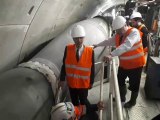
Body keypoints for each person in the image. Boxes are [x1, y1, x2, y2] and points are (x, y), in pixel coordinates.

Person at [94, 16, 145, 108]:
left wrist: (111, 55)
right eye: (116, 30)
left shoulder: (134, 32)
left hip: (136, 65)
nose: (117, 32)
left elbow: (126, 45)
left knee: (134, 85)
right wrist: (98, 45)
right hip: (124, 65)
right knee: (120, 81)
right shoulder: (118, 34)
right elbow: (109, 41)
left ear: (125, 25)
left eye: (119, 30)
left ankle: (132, 102)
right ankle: (121, 98)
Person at [59, 25, 95, 109]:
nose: (78, 41)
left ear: (84, 38)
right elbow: (64, 64)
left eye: (81, 38)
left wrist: (91, 82)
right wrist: (62, 79)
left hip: (83, 84)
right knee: (74, 102)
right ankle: (76, 115)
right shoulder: (68, 49)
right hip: (72, 84)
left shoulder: (90, 51)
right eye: (76, 38)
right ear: (73, 39)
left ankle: (82, 115)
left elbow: (92, 67)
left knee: (83, 102)